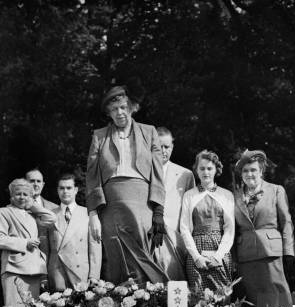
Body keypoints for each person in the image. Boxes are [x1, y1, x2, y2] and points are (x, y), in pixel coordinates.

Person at [85, 85, 167, 285]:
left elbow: (157, 173)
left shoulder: (149, 132)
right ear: (109, 113)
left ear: (131, 108)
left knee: (144, 254)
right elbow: (92, 177)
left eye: (123, 107)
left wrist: (158, 211)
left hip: (142, 203)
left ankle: (153, 305)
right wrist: (93, 214)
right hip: (110, 204)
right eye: (114, 110)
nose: (119, 113)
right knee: (115, 256)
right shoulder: (99, 135)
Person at [233, 149, 293, 307]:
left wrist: (289, 252)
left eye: (253, 170)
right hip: (246, 255)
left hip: (271, 253)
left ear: (261, 172)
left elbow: (286, 222)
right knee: (254, 304)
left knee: (274, 303)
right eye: (245, 171)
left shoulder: (276, 190)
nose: (250, 174)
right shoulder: (235, 196)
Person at [0, 179, 57, 307]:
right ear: (11, 195)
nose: (22, 197)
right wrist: (25, 243)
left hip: (34, 268)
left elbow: (52, 218)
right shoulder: (3, 212)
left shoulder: (33, 214)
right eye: (18, 194)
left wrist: (33, 205)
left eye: (25, 194)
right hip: (13, 267)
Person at [180, 150, 235, 294]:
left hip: (220, 250)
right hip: (195, 250)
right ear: (196, 170)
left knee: (222, 297)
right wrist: (196, 257)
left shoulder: (226, 195)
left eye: (210, 168)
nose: (206, 172)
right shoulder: (189, 195)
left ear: (216, 170)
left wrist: (218, 256)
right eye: (202, 168)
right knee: (198, 298)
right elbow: (184, 228)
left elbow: (230, 229)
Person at [47, 174, 101, 291]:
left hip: (81, 274)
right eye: (61, 188)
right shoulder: (49, 215)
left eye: (69, 188)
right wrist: (43, 276)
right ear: (57, 190)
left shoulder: (88, 214)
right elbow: (44, 249)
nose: (65, 191)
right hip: (57, 274)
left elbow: (95, 248)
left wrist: (94, 276)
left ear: (76, 190)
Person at [154, 127, 195, 280]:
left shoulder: (185, 175)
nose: (163, 151)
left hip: (175, 239)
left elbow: (191, 211)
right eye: (159, 147)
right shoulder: (142, 174)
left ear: (172, 147)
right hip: (150, 238)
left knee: (175, 289)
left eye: (167, 147)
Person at [26, 168, 58, 284]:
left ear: (43, 184)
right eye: (32, 181)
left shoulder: (55, 209)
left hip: (50, 267)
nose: (35, 184)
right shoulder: (14, 208)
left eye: (38, 181)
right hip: (24, 266)